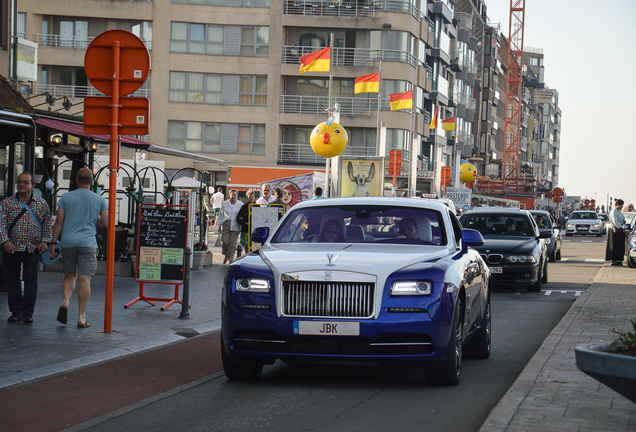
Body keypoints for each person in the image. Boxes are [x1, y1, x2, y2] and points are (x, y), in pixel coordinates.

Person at [49, 168, 108, 328]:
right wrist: (92, 219)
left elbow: (59, 221)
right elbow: (106, 223)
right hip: (88, 243)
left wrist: (54, 242)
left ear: (76, 179)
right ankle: (81, 318)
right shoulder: (100, 200)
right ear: (92, 181)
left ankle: (66, 302)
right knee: (84, 280)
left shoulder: (66, 197)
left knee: (69, 276)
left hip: (68, 242)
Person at [0, 172, 52, 323]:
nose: (22, 184)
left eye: (25, 182)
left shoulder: (41, 204)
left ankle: (28, 312)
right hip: (12, 247)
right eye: (19, 182)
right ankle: (16, 311)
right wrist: (5, 241)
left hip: (32, 248)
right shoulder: (7, 203)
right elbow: (1, 224)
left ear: (32, 186)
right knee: (12, 280)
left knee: (30, 279)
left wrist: (45, 241)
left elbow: (47, 224)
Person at [217, 189, 243, 264]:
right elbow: (221, 214)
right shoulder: (225, 203)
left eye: (235, 195)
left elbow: (243, 214)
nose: (233, 196)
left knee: (232, 243)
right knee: (225, 241)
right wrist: (219, 225)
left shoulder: (240, 204)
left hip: (236, 224)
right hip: (226, 223)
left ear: (237, 196)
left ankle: (230, 259)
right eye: (232, 195)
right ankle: (226, 255)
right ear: (229, 195)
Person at [606, 199, 626, 266]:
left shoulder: (619, 211)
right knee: (615, 246)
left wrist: (624, 221)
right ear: (617, 204)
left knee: (619, 246)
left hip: (619, 231)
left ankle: (617, 259)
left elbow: (622, 218)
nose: (622, 206)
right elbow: (615, 220)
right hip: (615, 231)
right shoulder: (614, 211)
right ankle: (614, 260)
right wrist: (621, 227)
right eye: (621, 205)